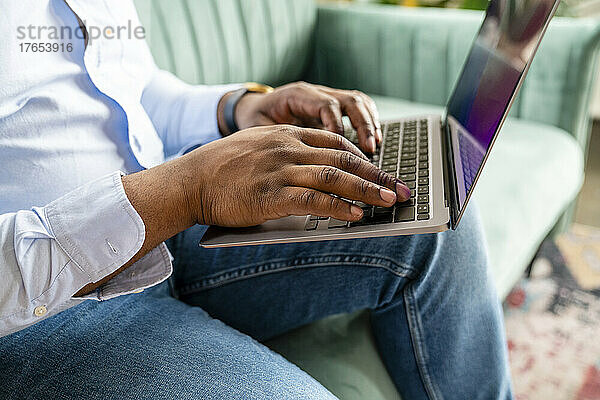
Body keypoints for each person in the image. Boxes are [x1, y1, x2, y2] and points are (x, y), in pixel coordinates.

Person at [0, 1, 513, 399]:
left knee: (432, 217)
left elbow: (128, 88)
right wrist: (183, 191)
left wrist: (240, 109)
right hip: (44, 315)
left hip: (169, 227)